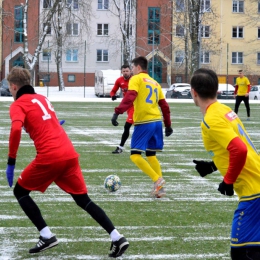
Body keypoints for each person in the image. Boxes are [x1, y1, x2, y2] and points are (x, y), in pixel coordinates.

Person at [5, 67, 129, 258]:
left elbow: (15, 130)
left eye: (10, 88)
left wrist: (11, 161)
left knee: (20, 191)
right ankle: (117, 237)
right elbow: (48, 120)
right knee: (83, 200)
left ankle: (46, 235)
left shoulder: (18, 104)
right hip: (68, 153)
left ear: (13, 86)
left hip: (50, 156)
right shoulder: (43, 99)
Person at [191, 68, 260, 260]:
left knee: (242, 253)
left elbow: (240, 149)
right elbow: (235, 147)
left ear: (194, 92)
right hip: (257, 183)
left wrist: (228, 181)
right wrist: (212, 166)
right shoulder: (224, 110)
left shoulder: (211, 119)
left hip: (253, 192)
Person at [111, 56, 173, 198]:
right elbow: (164, 106)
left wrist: (117, 112)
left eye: (132, 68)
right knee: (151, 155)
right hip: (157, 122)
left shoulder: (136, 79)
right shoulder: (155, 82)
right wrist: (168, 125)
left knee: (135, 155)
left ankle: (157, 180)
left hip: (145, 122)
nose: (131, 70)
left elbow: (130, 96)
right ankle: (160, 189)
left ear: (138, 68)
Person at [110, 65, 134, 154]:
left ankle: (120, 147)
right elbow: (113, 91)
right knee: (136, 126)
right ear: (121, 72)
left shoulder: (135, 80)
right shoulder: (119, 80)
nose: (125, 73)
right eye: (124, 71)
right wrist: (113, 95)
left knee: (127, 126)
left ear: (131, 71)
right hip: (127, 106)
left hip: (136, 106)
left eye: (127, 71)